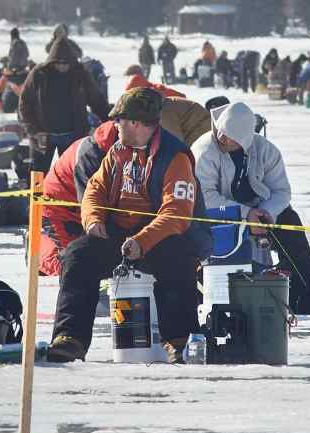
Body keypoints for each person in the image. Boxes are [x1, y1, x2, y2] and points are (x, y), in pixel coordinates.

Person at [46, 87, 212, 363]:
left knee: (178, 258)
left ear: (135, 123)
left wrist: (142, 241)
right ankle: (70, 338)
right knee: (77, 255)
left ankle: (179, 340)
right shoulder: (117, 151)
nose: (115, 125)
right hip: (120, 234)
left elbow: (176, 213)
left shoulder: (176, 157)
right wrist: (93, 219)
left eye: (119, 120)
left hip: (161, 235)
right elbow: (94, 191)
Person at [192, 102, 310, 315]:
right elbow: (204, 196)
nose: (222, 138)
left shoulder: (266, 150)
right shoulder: (204, 150)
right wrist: (246, 214)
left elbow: (281, 191)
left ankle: (305, 296)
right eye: (220, 132)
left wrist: (268, 213)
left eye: (229, 136)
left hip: (260, 210)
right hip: (219, 214)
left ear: (244, 140)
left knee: (290, 224)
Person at [19, 38, 109, 173]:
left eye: (65, 63)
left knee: (72, 175)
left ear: (71, 62)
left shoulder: (80, 74)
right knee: (38, 176)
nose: (62, 66)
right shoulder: (39, 74)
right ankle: (37, 189)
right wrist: (34, 131)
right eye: (58, 63)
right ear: (52, 61)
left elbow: (96, 100)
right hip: (43, 135)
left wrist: (108, 119)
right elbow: (25, 104)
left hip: (72, 135)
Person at [40, 121, 118, 276]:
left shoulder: (131, 145)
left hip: (82, 207)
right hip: (59, 211)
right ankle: (38, 246)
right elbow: (90, 201)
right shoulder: (89, 154)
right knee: (70, 264)